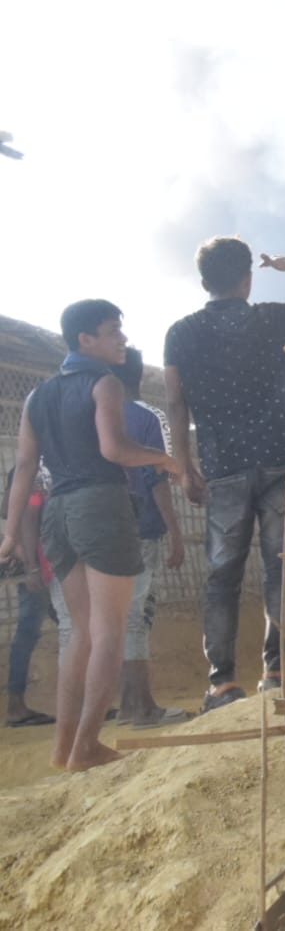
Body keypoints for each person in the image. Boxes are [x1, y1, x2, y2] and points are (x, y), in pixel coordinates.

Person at [163, 239, 285, 713]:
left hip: (223, 469)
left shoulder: (181, 333)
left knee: (222, 575)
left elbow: (176, 403)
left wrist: (184, 466)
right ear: (248, 277)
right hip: (278, 464)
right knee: (280, 565)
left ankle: (221, 684)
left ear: (204, 283)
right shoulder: (269, 317)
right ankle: (277, 670)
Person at [0, 300, 181, 770]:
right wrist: (165, 459)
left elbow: (23, 466)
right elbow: (114, 449)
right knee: (110, 633)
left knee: (77, 632)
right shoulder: (105, 383)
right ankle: (86, 747)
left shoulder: (39, 396)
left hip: (57, 513)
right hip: (99, 504)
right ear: (86, 340)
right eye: (112, 331)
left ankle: (64, 748)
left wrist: (10, 533)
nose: (122, 339)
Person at [106, 349, 188, 726]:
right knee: (136, 616)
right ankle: (140, 707)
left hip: (100, 530)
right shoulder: (146, 417)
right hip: (141, 528)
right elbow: (158, 481)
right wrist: (175, 532)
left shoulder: (94, 414)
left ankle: (119, 703)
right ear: (139, 376)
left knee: (110, 617)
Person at [3, 466, 55, 728]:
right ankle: (15, 705)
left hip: (45, 564)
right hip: (41, 566)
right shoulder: (32, 469)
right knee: (29, 632)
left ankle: (16, 704)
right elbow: (24, 512)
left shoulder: (32, 467)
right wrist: (32, 565)